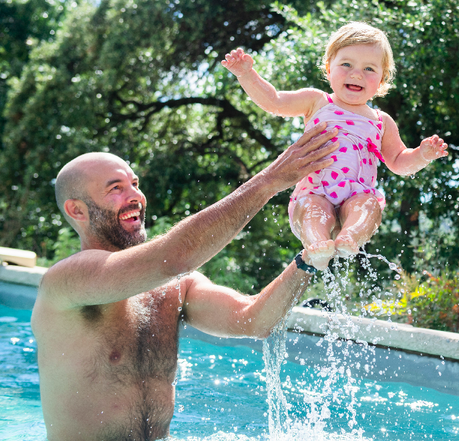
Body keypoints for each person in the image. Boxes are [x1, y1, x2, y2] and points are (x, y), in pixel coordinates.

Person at [30, 123, 337, 441]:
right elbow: (175, 256)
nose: (135, 196)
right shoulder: (66, 282)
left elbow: (255, 320)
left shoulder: (175, 286)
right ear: (77, 210)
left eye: (135, 184)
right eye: (115, 188)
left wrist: (312, 256)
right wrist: (270, 180)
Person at [222, 22, 448, 270]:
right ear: (329, 69)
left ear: (381, 79)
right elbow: (274, 102)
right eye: (347, 64)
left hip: (357, 196)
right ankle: (317, 243)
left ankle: (350, 237)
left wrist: (422, 155)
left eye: (369, 68)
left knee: (369, 206)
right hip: (315, 193)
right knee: (314, 210)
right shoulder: (317, 102)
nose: (356, 73)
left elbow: (398, 162)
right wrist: (246, 74)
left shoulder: (381, 122)